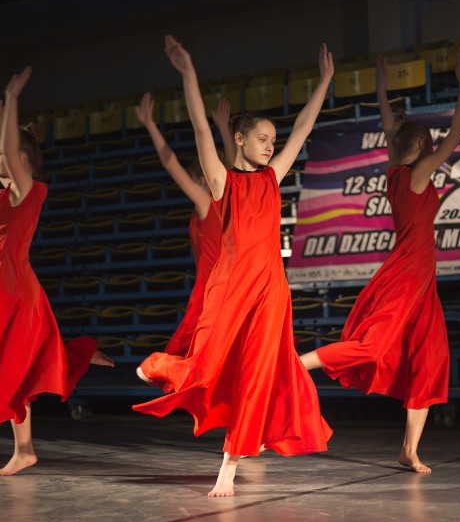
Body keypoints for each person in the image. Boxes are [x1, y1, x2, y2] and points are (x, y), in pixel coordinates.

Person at [133, 36, 334, 497]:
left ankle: (229, 465)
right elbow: (203, 132)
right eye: (262, 139)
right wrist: (188, 74)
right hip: (230, 289)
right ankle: (163, 365)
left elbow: (303, 128)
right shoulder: (223, 182)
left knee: (258, 375)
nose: (270, 146)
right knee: (207, 368)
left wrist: (323, 81)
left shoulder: (272, 177)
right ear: (240, 139)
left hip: (270, 293)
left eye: (273, 141)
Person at [300, 49, 460, 474]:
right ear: (417, 146)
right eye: (422, 141)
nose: (426, 144)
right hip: (408, 271)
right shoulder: (415, 174)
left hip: (420, 277)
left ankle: (408, 450)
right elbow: (458, 131)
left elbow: (389, 126)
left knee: (431, 361)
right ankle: (292, 365)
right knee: (374, 345)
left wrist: (381, 90)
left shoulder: (397, 169)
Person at [0, 66, 113, 476]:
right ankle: (26, 446)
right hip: (1, 289)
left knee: (13, 370)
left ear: (25, 160)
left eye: (5, 155)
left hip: (15, 291)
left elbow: (11, 153)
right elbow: (6, 149)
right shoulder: (4, 192)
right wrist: (0, 122)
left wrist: (11, 101)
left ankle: (27, 442)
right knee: (17, 371)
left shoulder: (28, 191)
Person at [133, 92, 232, 361]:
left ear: (201, 179)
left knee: (199, 354)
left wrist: (151, 125)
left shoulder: (206, 200)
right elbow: (235, 168)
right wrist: (223, 129)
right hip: (228, 284)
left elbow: (170, 163)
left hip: (212, 288)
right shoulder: (230, 200)